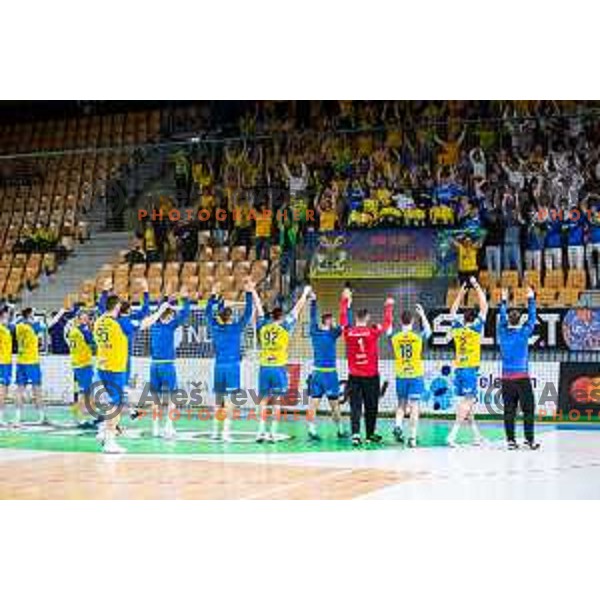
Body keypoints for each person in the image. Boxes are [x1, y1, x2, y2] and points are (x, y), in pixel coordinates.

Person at [254, 285, 312, 443]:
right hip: (278, 368)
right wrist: (305, 293)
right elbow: (297, 308)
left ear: (271, 316)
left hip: (264, 367)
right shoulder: (286, 326)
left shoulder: (263, 326)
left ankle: (260, 432)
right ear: (281, 317)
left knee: (263, 400)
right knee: (277, 401)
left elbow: (259, 309)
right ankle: (273, 433)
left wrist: (253, 292)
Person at [339, 287, 393, 447]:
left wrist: (345, 301)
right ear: (367, 318)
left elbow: (342, 318)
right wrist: (389, 306)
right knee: (371, 406)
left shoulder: (348, 332)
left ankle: (356, 435)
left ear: (356, 318)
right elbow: (387, 323)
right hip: (371, 376)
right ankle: (370, 434)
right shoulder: (372, 331)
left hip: (354, 376)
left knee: (355, 406)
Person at [206, 279, 255, 442]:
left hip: (219, 366)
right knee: (229, 400)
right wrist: (249, 292)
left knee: (218, 400)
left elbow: (207, 313)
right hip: (232, 367)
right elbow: (248, 313)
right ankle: (226, 432)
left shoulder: (214, 327)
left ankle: (214, 431)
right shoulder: (235, 328)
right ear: (230, 317)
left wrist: (213, 295)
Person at [140, 290, 191, 439]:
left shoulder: (154, 324)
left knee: (155, 398)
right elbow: (185, 313)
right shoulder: (170, 325)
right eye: (171, 315)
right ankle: (168, 426)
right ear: (168, 316)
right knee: (173, 396)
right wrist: (185, 298)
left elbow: (159, 308)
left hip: (154, 365)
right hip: (167, 365)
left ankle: (155, 428)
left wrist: (166, 299)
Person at [446, 277, 488, 447]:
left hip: (459, 370)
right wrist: (476, 286)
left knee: (468, 405)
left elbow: (452, 311)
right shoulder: (476, 329)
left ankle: (476, 436)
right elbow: (484, 306)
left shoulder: (457, 328)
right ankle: (452, 435)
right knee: (467, 402)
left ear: (464, 320)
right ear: (474, 319)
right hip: (469, 370)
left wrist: (461, 293)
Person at [93, 295, 138, 453]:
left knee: (109, 403)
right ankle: (110, 442)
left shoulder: (98, 321)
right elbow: (141, 325)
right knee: (116, 406)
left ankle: (103, 433)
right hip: (115, 368)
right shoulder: (117, 324)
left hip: (102, 366)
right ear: (117, 306)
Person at [498, 287, 540, 450]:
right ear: (519, 320)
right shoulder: (523, 333)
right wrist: (531, 298)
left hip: (506, 379)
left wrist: (503, 301)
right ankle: (529, 440)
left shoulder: (502, 332)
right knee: (528, 409)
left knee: (509, 411)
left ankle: (510, 441)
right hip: (522, 378)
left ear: (508, 319)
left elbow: (501, 318)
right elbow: (532, 318)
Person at [386, 303, 432, 448]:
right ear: (412, 321)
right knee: (414, 407)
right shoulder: (417, 337)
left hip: (401, 375)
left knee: (401, 404)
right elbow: (429, 331)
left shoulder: (395, 337)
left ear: (401, 321)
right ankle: (412, 437)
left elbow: (388, 330)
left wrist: (390, 312)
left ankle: (398, 425)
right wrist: (423, 315)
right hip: (415, 376)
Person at [307, 291, 345, 441]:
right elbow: (340, 328)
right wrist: (345, 304)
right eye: (332, 320)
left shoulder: (314, 331)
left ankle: (312, 430)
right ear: (328, 322)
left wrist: (314, 301)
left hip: (316, 374)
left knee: (313, 404)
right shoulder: (332, 334)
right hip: (329, 375)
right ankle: (340, 430)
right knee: (335, 405)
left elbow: (311, 317)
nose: (334, 321)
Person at [14, 307, 46, 425]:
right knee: (37, 389)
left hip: (21, 361)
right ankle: (41, 417)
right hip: (32, 361)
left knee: (19, 389)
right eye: (33, 314)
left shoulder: (19, 326)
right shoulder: (33, 326)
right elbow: (47, 326)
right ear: (29, 315)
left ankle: (17, 417)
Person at [65, 311, 95, 424]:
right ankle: (82, 417)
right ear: (78, 319)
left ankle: (90, 414)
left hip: (77, 363)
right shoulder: (83, 330)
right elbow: (92, 341)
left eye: (86, 318)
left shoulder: (73, 330)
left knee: (87, 391)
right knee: (85, 392)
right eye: (84, 318)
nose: (85, 320)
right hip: (83, 364)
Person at [0, 306, 13, 426]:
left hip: (6, 362)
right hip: (3, 363)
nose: (9, 316)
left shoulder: (6, 328)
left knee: (4, 389)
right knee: (2, 390)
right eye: (8, 314)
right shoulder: (1, 329)